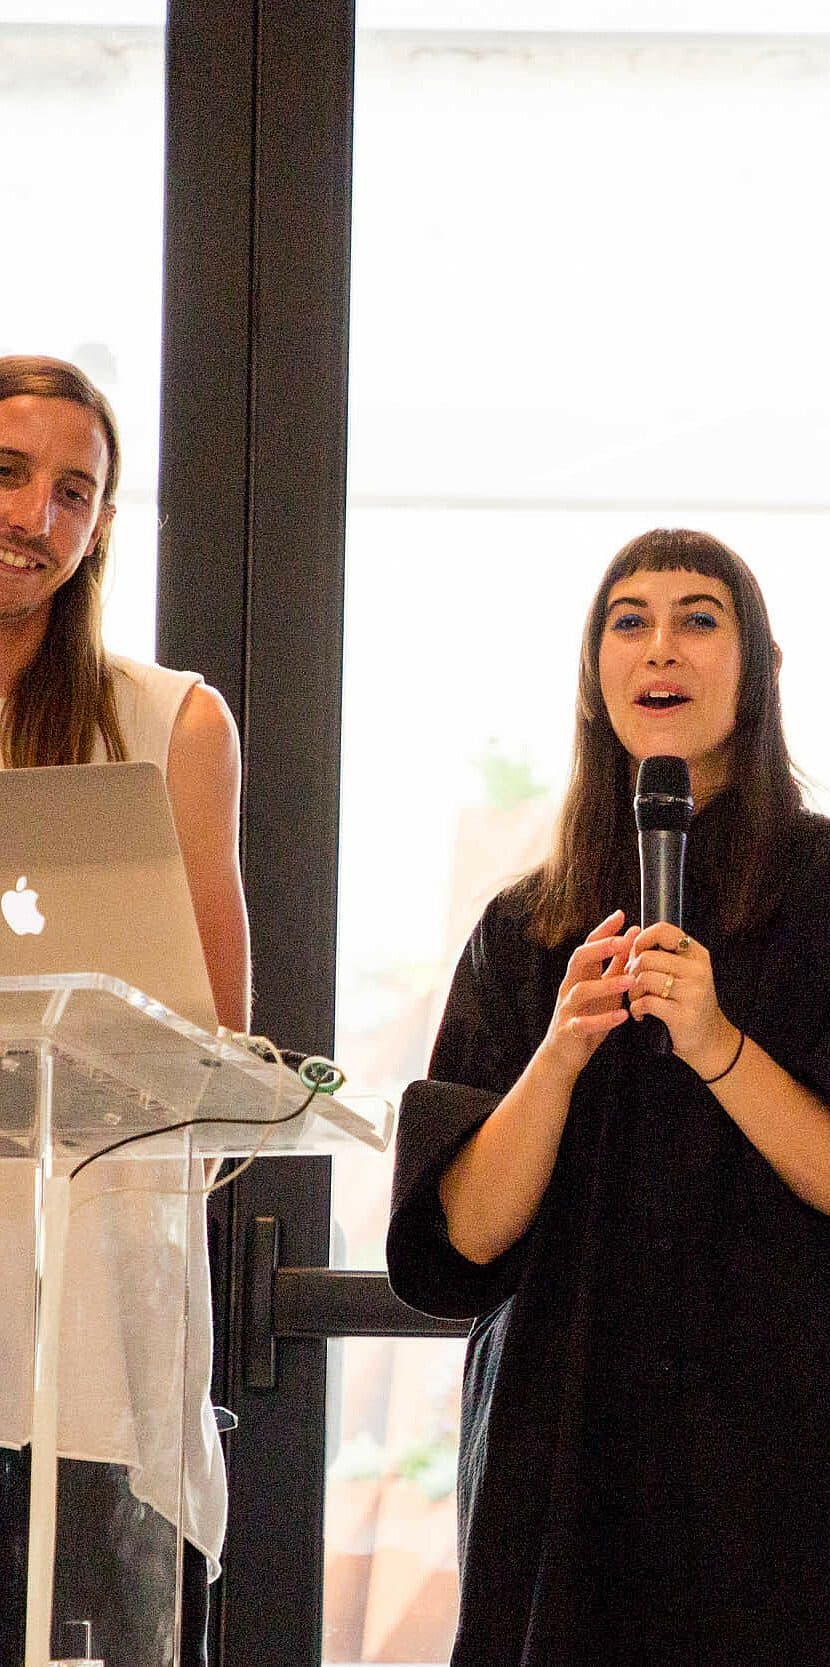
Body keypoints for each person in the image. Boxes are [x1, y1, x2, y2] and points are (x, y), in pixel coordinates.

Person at [388, 527, 830, 1665]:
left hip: (799, 1460)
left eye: (699, 617)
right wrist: (558, 1054)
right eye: (629, 619)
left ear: (752, 668)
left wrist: (714, 1042)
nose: (661, 645)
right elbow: (463, 1234)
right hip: (572, 1457)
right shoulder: (526, 927)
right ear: (594, 674)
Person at [0, 355, 250, 1667]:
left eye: (75, 491)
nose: (37, 516)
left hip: (87, 1346)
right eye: (11, 471)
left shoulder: (168, 723)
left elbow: (215, 1060)